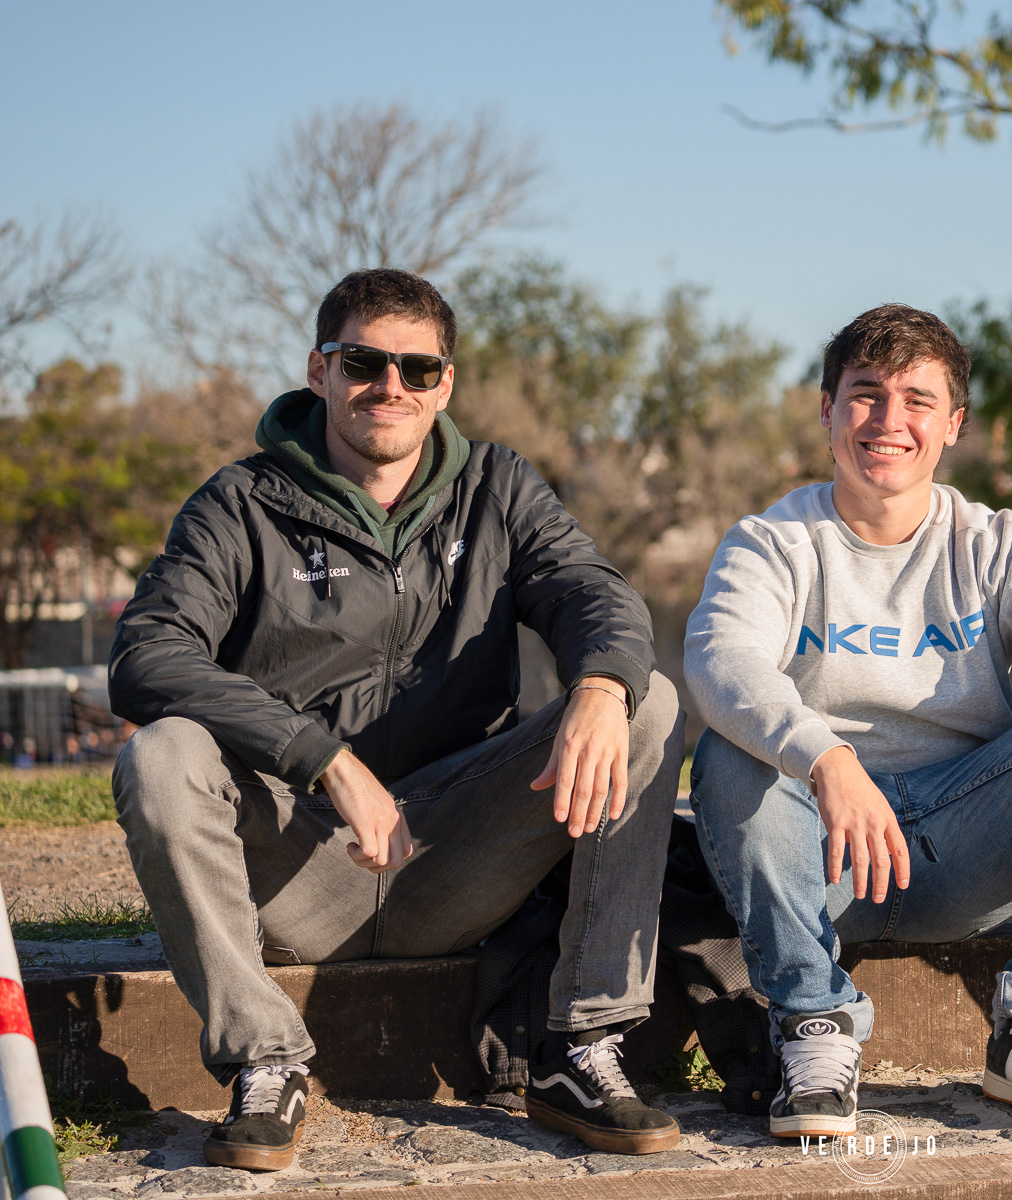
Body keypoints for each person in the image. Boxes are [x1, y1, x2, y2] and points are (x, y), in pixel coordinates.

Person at [109, 269, 684, 1169]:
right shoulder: (239, 502)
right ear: (319, 370)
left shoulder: (498, 486)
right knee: (162, 754)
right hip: (297, 861)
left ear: (444, 384)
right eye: (364, 363)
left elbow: (593, 594)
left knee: (644, 701)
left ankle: (584, 1049)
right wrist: (322, 759)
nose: (391, 387)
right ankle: (265, 1062)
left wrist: (601, 689)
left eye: (418, 370)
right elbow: (148, 654)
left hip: (453, 856)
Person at [683, 304, 1012, 1138]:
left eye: (917, 399)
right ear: (828, 409)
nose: (889, 420)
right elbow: (720, 663)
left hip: (967, 842)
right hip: (823, 850)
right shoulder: (773, 542)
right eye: (865, 394)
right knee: (730, 757)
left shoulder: (992, 543)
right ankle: (812, 1023)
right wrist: (828, 762)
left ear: (954, 425)